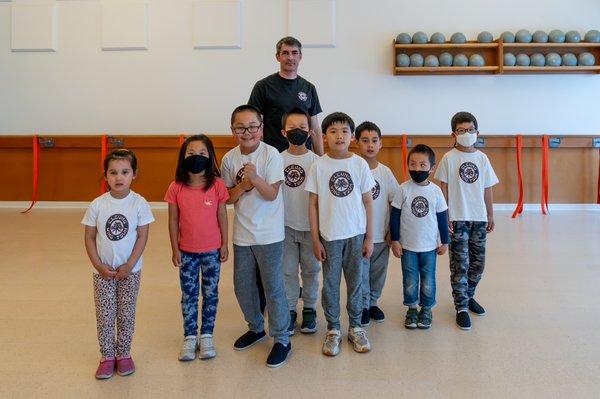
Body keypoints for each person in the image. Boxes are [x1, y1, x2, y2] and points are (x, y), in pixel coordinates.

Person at [220, 104, 291, 368]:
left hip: (269, 235)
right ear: (233, 130)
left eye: (253, 126)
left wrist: (256, 179)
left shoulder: (271, 154)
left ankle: (282, 338)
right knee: (243, 287)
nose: (247, 132)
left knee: (274, 287)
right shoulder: (229, 159)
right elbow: (227, 197)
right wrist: (243, 184)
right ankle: (256, 327)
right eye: (241, 127)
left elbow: (272, 193)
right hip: (242, 235)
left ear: (261, 128)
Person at [305, 112, 375, 356]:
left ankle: (356, 327)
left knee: (356, 283)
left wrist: (368, 237)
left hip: (356, 235)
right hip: (330, 237)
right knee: (331, 285)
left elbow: (368, 202)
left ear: (352, 137)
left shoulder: (359, 164)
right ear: (324, 136)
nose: (339, 136)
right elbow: (312, 204)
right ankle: (333, 328)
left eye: (344, 131)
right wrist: (315, 239)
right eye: (333, 131)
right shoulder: (318, 165)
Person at [82, 149, 154, 379]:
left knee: (126, 313)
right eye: (113, 172)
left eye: (125, 172)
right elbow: (89, 237)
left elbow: (142, 236)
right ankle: (107, 356)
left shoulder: (139, 203)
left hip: (130, 272)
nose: (119, 177)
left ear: (134, 174)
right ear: (105, 176)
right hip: (103, 272)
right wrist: (98, 265)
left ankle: (123, 354)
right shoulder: (97, 205)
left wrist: (130, 264)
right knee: (105, 315)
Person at [165, 135, 229, 361]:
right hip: (186, 252)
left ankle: (207, 335)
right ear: (183, 157)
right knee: (189, 295)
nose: (196, 158)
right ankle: (190, 336)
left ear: (210, 157)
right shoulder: (176, 187)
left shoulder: (217, 185)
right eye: (191, 153)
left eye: (202, 153)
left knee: (211, 294)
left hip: (212, 252)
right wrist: (175, 249)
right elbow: (173, 220)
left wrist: (224, 243)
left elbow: (222, 214)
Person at [434, 112, 499, 330]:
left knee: (478, 264)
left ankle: (469, 295)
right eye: (461, 130)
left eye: (470, 129)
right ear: (454, 134)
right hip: (457, 219)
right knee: (460, 264)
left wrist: (490, 214)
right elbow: (442, 189)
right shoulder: (448, 158)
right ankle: (461, 306)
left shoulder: (482, 158)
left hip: (478, 218)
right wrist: (445, 218)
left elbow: (487, 187)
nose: (466, 134)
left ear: (477, 133)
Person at [390, 144, 449, 329]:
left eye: (423, 165)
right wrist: (395, 240)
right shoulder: (403, 189)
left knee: (428, 279)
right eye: (413, 164)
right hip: (407, 246)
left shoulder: (436, 191)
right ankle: (412, 308)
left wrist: (445, 241)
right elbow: (395, 216)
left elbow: (442, 218)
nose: (417, 168)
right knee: (409, 279)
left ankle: (427, 309)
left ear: (432, 168)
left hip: (429, 247)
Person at [280, 107, 320, 335]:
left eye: (302, 128)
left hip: (310, 229)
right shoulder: (276, 159)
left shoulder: (317, 161)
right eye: (292, 128)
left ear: (310, 131)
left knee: (311, 271)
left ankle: (310, 309)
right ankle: (290, 309)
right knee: (287, 271)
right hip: (284, 227)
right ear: (284, 132)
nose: (298, 131)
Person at [355, 121, 399, 326]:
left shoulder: (386, 172)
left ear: (381, 144)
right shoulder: (353, 168)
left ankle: (372, 302)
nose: (370, 145)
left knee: (377, 272)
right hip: (359, 234)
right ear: (356, 143)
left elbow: (394, 202)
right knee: (360, 272)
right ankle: (362, 306)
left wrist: (392, 230)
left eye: (374, 141)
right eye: (365, 140)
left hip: (381, 234)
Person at [248, 36, 324, 155]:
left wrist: (321, 159)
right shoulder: (263, 86)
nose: (290, 57)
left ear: (300, 56)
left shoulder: (309, 88)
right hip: (274, 154)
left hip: (304, 155)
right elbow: (255, 126)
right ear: (278, 56)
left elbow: (315, 128)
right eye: (285, 53)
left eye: (294, 53)